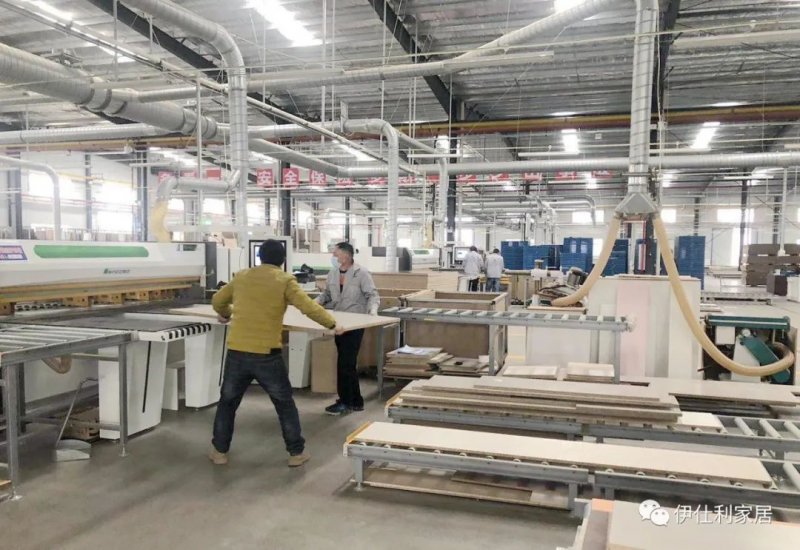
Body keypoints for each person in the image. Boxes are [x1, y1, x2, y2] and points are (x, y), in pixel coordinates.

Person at [209, 239, 342, 468]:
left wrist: (227, 313)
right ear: (282, 260)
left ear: (260, 257)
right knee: (284, 404)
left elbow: (218, 300)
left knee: (227, 403)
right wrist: (332, 324)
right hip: (266, 354)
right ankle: (296, 453)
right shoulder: (284, 280)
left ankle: (219, 452)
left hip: (238, 351)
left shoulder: (241, 276)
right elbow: (308, 307)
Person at [316, 242, 380, 416]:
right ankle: (355, 401)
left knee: (345, 363)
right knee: (347, 364)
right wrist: (313, 304)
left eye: (336, 254)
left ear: (346, 255)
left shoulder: (362, 273)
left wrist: (372, 311)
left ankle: (345, 402)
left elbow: (372, 295)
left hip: (355, 323)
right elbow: (326, 294)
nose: (333, 257)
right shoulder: (333, 273)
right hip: (339, 322)